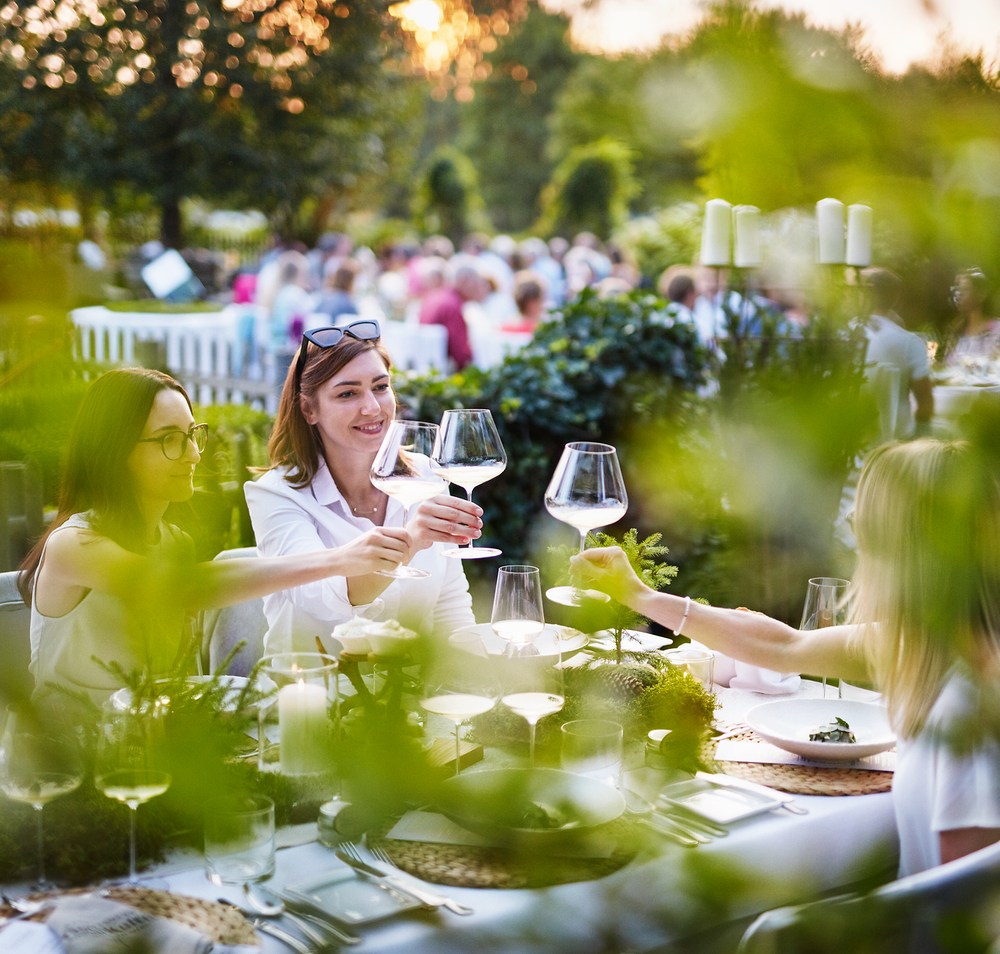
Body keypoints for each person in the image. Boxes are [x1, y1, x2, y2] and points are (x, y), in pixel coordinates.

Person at [573, 439, 1000, 876]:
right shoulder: (931, 644)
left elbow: (966, 903)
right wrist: (639, 594)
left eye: (865, 538)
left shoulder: (965, 713)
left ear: (904, 559)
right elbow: (785, 647)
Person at [19, 368, 409, 708]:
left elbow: (173, 678)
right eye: (168, 439)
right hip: (62, 764)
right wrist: (340, 560)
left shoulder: (173, 543)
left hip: (148, 751)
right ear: (113, 451)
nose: (192, 454)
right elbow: (186, 588)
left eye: (192, 434)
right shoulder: (74, 545)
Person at [244, 320, 480, 655]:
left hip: (414, 699)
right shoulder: (275, 494)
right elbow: (328, 599)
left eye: (381, 387)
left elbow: (450, 604)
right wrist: (411, 540)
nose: (372, 407)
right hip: (315, 697)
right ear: (309, 409)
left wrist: (473, 685)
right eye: (348, 393)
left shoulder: (428, 475)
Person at [861, 267, 933, 438]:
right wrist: (919, 440)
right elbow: (925, 403)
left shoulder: (844, 334)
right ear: (896, 299)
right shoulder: (910, 342)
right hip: (899, 441)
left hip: (851, 439)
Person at [418, 263, 485, 370]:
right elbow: (461, 356)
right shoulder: (453, 305)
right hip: (441, 369)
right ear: (464, 282)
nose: (481, 288)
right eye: (477, 282)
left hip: (425, 362)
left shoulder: (435, 295)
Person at [947, 267, 1000, 363]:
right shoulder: (957, 333)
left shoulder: (997, 330)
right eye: (957, 289)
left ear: (981, 294)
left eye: (965, 289)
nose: (959, 294)